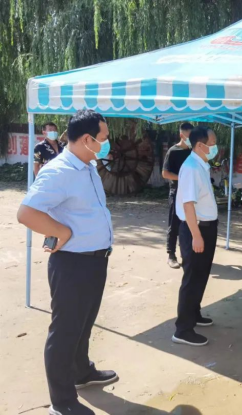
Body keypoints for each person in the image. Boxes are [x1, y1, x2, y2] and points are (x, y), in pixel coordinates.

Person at [17, 109, 117, 415]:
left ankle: (81, 372)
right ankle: (62, 402)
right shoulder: (59, 171)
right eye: (104, 137)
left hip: (95, 260)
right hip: (73, 264)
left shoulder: (87, 166)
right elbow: (27, 213)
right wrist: (61, 232)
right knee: (65, 331)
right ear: (87, 139)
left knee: (83, 324)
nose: (107, 142)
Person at [173, 126, 219, 346]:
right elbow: (188, 204)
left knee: (201, 274)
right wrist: (196, 236)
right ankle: (183, 329)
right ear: (200, 145)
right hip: (197, 229)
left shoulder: (201, 164)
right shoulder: (191, 168)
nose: (215, 147)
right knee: (192, 278)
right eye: (213, 144)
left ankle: (194, 313)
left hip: (206, 227)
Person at [162, 122, 193, 269]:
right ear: (182, 135)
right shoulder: (173, 151)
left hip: (190, 193)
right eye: (189, 136)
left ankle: (187, 254)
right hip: (177, 192)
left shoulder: (193, 152)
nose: (191, 139)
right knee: (174, 224)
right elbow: (165, 173)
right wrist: (182, 178)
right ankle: (171, 255)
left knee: (189, 223)